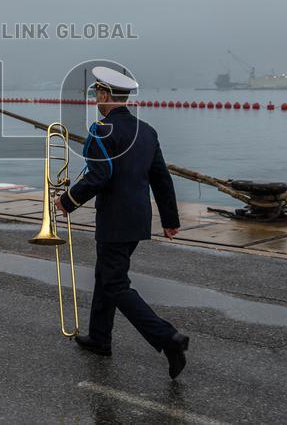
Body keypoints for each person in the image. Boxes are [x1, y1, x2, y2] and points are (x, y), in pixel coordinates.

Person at [56, 66, 190, 379]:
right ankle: (100, 338)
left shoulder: (100, 131)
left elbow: (99, 176)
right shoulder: (147, 130)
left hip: (114, 221)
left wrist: (67, 201)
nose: (95, 99)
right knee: (107, 275)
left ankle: (167, 338)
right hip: (138, 220)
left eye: (96, 94)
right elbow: (161, 178)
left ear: (105, 95)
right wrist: (170, 219)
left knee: (115, 283)